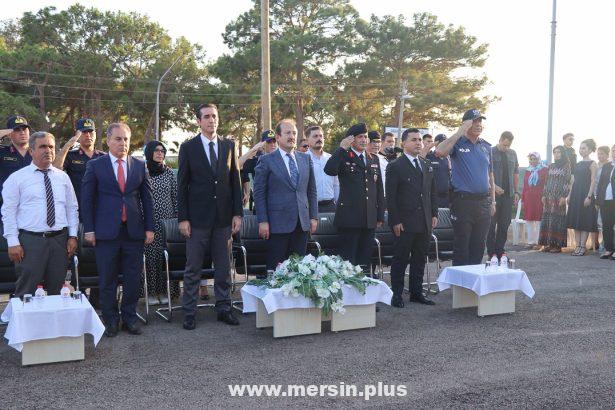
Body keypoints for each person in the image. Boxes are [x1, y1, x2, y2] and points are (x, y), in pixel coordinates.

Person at [81, 123, 154, 337]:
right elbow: (87, 200)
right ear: (108, 141)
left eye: (126, 140)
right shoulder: (96, 166)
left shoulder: (139, 166)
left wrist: (149, 228)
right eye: (118, 139)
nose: (123, 144)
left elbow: (147, 201)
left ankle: (130, 318)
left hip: (133, 232)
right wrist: (89, 229)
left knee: (133, 278)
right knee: (107, 279)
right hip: (105, 233)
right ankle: (110, 320)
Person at [177, 103, 242, 330]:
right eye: (206, 117)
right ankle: (189, 312)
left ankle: (224, 308)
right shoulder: (188, 148)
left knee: (223, 268)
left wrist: (237, 214)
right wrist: (183, 218)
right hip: (197, 220)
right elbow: (182, 185)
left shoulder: (229, 146)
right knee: (193, 267)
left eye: (214, 116)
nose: (211, 120)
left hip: (223, 219)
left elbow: (235, 181)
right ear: (199, 121)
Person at [1, 131, 78, 297]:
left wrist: (72, 236)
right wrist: (12, 242)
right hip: (30, 242)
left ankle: (54, 322)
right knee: (26, 291)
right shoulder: (17, 179)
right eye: (43, 146)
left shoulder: (63, 178)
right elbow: (8, 212)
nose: (48, 150)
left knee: (57, 290)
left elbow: (72, 208)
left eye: (51, 147)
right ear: (31, 151)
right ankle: (24, 323)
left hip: (59, 241)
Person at [254, 119, 318, 271]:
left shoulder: (305, 158)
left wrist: (313, 216)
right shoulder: (266, 160)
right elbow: (259, 193)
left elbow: (311, 190)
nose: (292, 136)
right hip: (277, 225)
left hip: (301, 224)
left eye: (294, 133)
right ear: (277, 136)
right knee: (277, 270)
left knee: (299, 271)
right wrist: (262, 220)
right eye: (288, 133)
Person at [435, 109, 495, 266]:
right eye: (474, 121)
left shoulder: (486, 147)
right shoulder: (457, 142)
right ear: (465, 123)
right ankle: (460, 286)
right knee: (462, 245)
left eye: (480, 121)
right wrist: (460, 131)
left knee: (479, 245)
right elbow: (440, 151)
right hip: (463, 202)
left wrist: (493, 202)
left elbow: (491, 176)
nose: (478, 125)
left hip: (483, 202)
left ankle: (473, 284)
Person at [386, 128, 438, 308]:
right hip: (404, 222)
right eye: (414, 140)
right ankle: (397, 294)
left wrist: (434, 213)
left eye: (419, 140)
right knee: (400, 259)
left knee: (420, 258)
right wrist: (395, 221)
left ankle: (416, 292)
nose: (418, 143)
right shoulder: (395, 166)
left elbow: (431, 192)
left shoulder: (425, 164)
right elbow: (390, 197)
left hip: (423, 220)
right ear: (404, 144)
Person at [324, 123, 385, 272]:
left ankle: (363, 289)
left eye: (365, 137)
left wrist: (379, 215)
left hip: (369, 218)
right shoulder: (344, 155)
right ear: (351, 139)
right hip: (349, 218)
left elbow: (378, 188)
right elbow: (329, 170)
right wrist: (341, 148)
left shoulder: (373, 159)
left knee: (364, 259)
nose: (364, 140)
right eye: (360, 137)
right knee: (348, 260)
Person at [142, 141, 180, 305]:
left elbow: (176, 198)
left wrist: (178, 220)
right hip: (149, 222)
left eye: (162, 151)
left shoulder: (170, 173)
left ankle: (167, 291)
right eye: (156, 150)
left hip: (168, 222)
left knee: (167, 257)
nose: (160, 153)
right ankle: (150, 293)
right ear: (149, 152)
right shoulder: (143, 173)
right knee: (150, 257)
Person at [53, 118, 105, 214]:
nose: (88, 135)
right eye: (84, 132)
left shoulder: (104, 157)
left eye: (90, 131)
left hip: (101, 211)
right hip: (78, 211)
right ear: (77, 135)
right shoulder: (70, 156)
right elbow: (55, 169)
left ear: (95, 134)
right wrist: (69, 144)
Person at [486, 131, 519, 259]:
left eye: (508, 146)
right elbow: (485, 172)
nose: (506, 148)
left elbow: (516, 174)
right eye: (504, 145)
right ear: (500, 140)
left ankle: (500, 250)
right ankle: (491, 251)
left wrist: (516, 192)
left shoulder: (513, 153)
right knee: (491, 224)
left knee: (504, 224)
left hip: (508, 195)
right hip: (493, 195)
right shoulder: (490, 151)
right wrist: (493, 186)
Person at [566, 139, 598, 256]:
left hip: (585, 195)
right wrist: (569, 195)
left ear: (590, 150)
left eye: (584, 148)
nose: (582, 150)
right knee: (576, 220)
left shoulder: (593, 164)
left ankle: (583, 247)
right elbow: (573, 181)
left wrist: (589, 196)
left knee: (584, 220)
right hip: (575, 195)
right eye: (580, 148)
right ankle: (577, 245)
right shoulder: (578, 164)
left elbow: (593, 181)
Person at [538, 146, 571, 253]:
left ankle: (557, 246)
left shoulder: (566, 166)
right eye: (555, 152)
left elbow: (567, 182)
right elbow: (546, 181)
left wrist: (564, 196)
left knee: (558, 221)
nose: (556, 154)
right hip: (549, 197)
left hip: (559, 197)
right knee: (548, 221)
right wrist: (543, 195)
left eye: (559, 152)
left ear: (563, 154)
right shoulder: (551, 166)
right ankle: (549, 243)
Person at [239, 130, 277, 210]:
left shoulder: (281, 159)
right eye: (269, 142)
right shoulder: (257, 160)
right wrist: (253, 149)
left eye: (274, 141)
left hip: (278, 206)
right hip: (262, 206)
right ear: (262, 144)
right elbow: (237, 165)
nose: (273, 144)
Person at [0, 116, 32, 205]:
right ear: (9, 134)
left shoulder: (37, 153)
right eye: (17, 130)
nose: (22, 133)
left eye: (25, 129)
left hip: (32, 206)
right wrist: (6, 131)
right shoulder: (2, 152)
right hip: (7, 205)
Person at [306, 125, 339, 213]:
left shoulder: (330, 158)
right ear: (307, 140)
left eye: (321, 136)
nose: (319, 139)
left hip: (331, 206)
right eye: (315, 136)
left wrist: (338, 206)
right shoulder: (302, 159)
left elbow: (336, 184)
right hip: (310, 208)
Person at [521, 152, 548, 248]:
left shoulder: (544, 170)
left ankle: (539, 242)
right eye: (531, 159)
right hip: (529, 198)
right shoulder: (528, 170)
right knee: (529, 220)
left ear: (539, 159)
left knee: (539, 220)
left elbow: (546, 184)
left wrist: (545, 196)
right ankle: (531, 241)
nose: (533, 161)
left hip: (540, 198)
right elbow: (525, 186)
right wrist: (523, 199)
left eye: (535, 159)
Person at [595, 145, 615, 259]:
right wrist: (598, 200)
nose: (614, 153)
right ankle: (609, 249)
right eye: (613, 151)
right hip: (605, 200)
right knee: (606, 225)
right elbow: (601, 183)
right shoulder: (607, 166)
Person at [425, 134, 451, 208]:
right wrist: (431, 145)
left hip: (447, 198)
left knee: (445, 219)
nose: (444, 145)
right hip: (433, 197)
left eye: (445, 143)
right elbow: (420, 156)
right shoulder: (429, 157)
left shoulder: (449, 158)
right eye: (441, 143)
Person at [593, 146, 611, 253]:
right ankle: (598, 244)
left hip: (606, 198)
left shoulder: (609, 166)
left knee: (605, 223)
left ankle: (605, 245)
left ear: (607, 155)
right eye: (598, 154)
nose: (600, 156)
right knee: (599, 223)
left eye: (602, 154)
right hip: (596, 196)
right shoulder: (596, 165)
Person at [368, 131, 389, 197]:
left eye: (378, 142)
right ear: (367, 142)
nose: (376, 145)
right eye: (373, 142)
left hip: (383, 198)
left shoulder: (385, 161)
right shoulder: (362, 159)